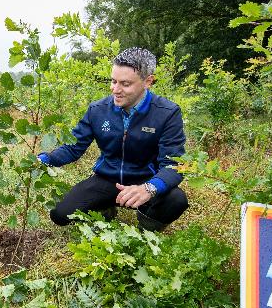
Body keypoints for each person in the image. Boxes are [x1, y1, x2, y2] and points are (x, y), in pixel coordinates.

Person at [37, 47, 188, 231]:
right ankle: (104, 210)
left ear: (148, 81)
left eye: (125, 84)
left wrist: (149, 188)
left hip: (146, 180)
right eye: (113, 81)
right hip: (107, 178)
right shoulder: (97, 110)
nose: (115, 89)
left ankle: (147, 227)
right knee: (60, 214)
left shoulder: (167, 113)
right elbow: (73, 147)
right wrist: (44, 159)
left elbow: (174, 164)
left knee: (176, 200)